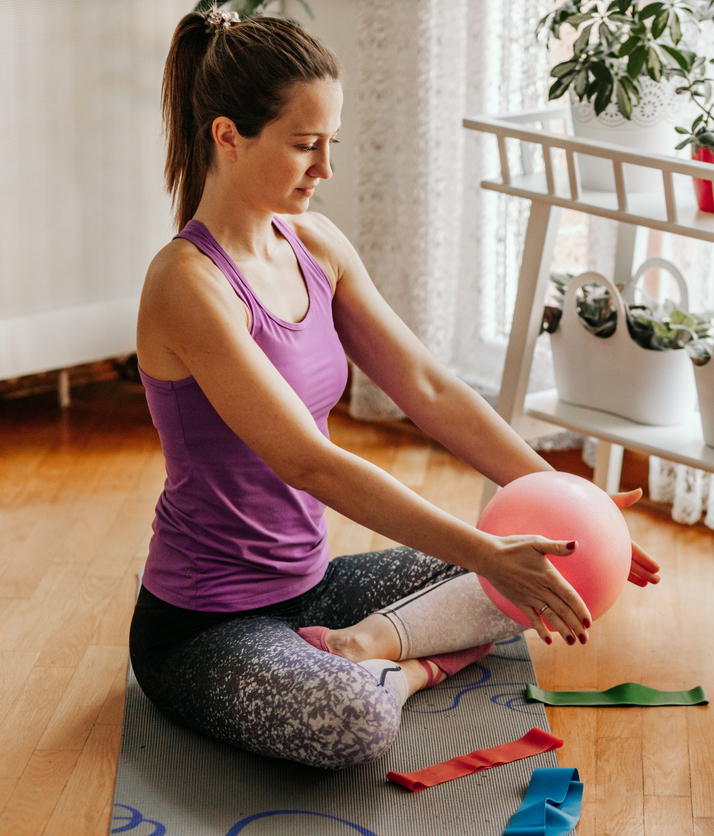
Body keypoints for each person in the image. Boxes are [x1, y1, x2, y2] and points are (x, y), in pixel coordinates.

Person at [129, 7, 660, 771]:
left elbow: (426, 387)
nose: (326, 170)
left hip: (313, 590)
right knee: (355, 724)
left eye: (331, 145)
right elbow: (309, 462)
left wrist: (580, 515)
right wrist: (487, 552)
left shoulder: (313, 243)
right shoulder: (187, 284)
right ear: (227, 135)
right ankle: (406, 670)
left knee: (544, 570)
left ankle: (370, 644)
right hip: (205, 624)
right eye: (306, 146)